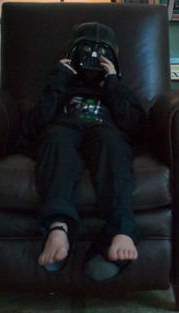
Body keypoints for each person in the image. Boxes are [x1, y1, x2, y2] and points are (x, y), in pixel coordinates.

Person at [22, 22, 147, 281]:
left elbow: (135, 127)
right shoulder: (62, 85)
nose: (93, 56)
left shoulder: (118, 89)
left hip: (105, 129)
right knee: (55, 139)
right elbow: (34, 127)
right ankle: (58, 227)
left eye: (101, 50)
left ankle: (120, 230)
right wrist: (57, 81)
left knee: (113, 144)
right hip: (64, 127)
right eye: (86, 49)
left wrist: (112, 83)